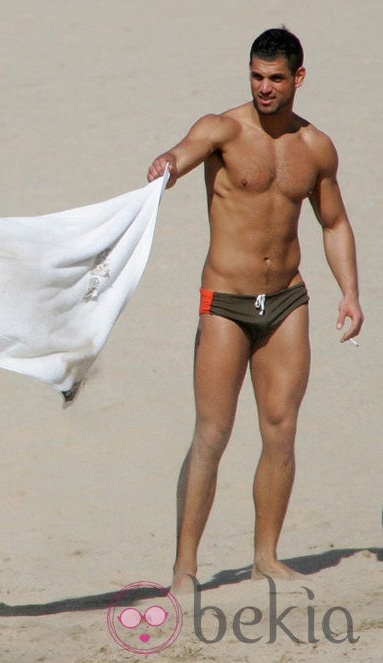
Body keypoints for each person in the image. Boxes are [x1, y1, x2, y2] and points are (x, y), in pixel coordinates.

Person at [147, 27, 363, 594]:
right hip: (226, 302)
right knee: (212, 433)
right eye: (256, 76)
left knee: (280, 431)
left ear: (299, 78)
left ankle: (265, 556)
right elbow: (182, 153)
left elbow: (334, 222)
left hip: (287, 299)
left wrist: (350, 291)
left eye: (275, 78)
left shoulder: (315, 147)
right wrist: (166, 163)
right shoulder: (222, 130)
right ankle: (184, 568)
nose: (264, 88)